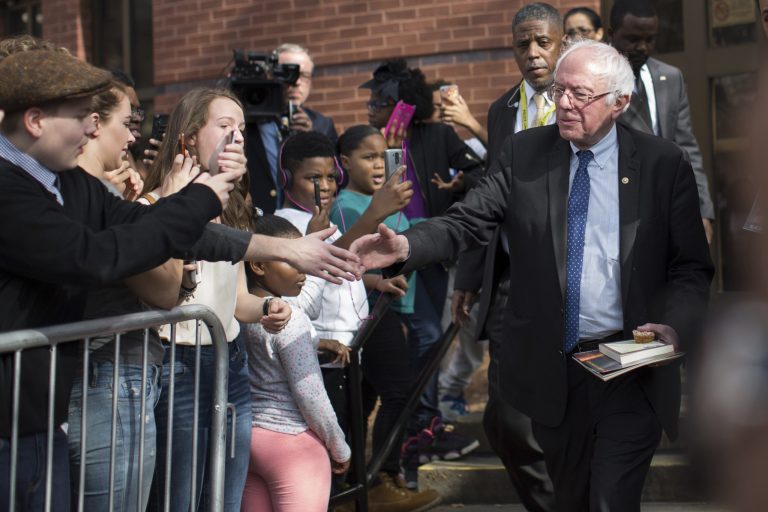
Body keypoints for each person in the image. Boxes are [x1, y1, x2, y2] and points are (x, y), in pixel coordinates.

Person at [351, 40, 713, 511]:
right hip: (555, 372)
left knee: (611, 499)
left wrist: (674, 325)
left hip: (631, 367)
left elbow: (690, 266)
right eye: (560, 90)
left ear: (619, 103)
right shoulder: (525, 154)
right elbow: (467, 220)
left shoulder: (663, 164)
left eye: (579, 94)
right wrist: (407, 245)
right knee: (572, 499)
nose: (562, 103)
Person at [0, 49, 244, 511]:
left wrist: (285, 247)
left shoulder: (66, 182)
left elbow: (137, 223)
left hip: (35, 421)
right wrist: (199, 197)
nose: (93, 129)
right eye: (81, 117)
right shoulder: (10, 186)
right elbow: (93, 257)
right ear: (34, 120)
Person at [143, 88, 291, 512]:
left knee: (226, 493)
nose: (238, 138)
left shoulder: (236, 207)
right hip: (177, 363)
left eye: (242, 129)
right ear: (188, 139)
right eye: (225, 128)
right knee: (181, 497)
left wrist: (265, 308)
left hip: (231, 360)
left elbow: (238, 300)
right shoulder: (155, 204)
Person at [451, 4, 561, 510]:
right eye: (523, 44)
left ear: (561, 43)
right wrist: (470, 277)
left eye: (543, 42)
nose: (533, 53)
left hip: (574, 280)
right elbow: (487, 202)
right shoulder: (501, 111)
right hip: (512, 282)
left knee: (570, 415)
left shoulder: (589, 102)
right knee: (505, 420)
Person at [362, 59, 483, 487]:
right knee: (420, 336)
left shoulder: (437, 135)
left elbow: (478, 171)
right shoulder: (375, 144)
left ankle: (423, 423)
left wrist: (457, 186)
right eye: (371, 100)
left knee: (430, 335)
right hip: (386, 251)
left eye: (382, 102)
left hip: (427, 251)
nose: (372, 107)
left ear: (404, 105)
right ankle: (419, 422)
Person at [333, 124, 441, 510]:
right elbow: (345, 263)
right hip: (369, 316)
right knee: (400, 393)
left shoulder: (385, 201)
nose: (378, 164)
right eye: (368, 156)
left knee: (366, 399)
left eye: (383, 155)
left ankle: (350, 486)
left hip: (391, 312)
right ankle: (381, 477)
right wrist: (378, 283)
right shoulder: (347, 206)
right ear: (345, 163)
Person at [242, 214, 350, 512]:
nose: (303, 270)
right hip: (292, 445)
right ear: (259, 265)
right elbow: (310, 393)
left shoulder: (239, 313)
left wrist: (316, 342)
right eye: (291, 260)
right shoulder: (289, 317)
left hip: (248, 443)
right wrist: (338, 445)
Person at [608, 0, 716, 243]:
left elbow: (687, 148)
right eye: (633, 39)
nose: (643, 47)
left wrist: (702, 210)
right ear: (612, 35)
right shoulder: (596, 81)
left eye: (650, 39)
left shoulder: (671, 78)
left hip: (670, 205)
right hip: (619, 212)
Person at [245, 43, 338, 213]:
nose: (296, 82)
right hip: (258, 220)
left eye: (303, 75)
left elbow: (340, 177)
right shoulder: (247, 121)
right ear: (270, 76)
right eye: (287, 73)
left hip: (307, 222)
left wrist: (311, 141)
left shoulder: (322, 124)